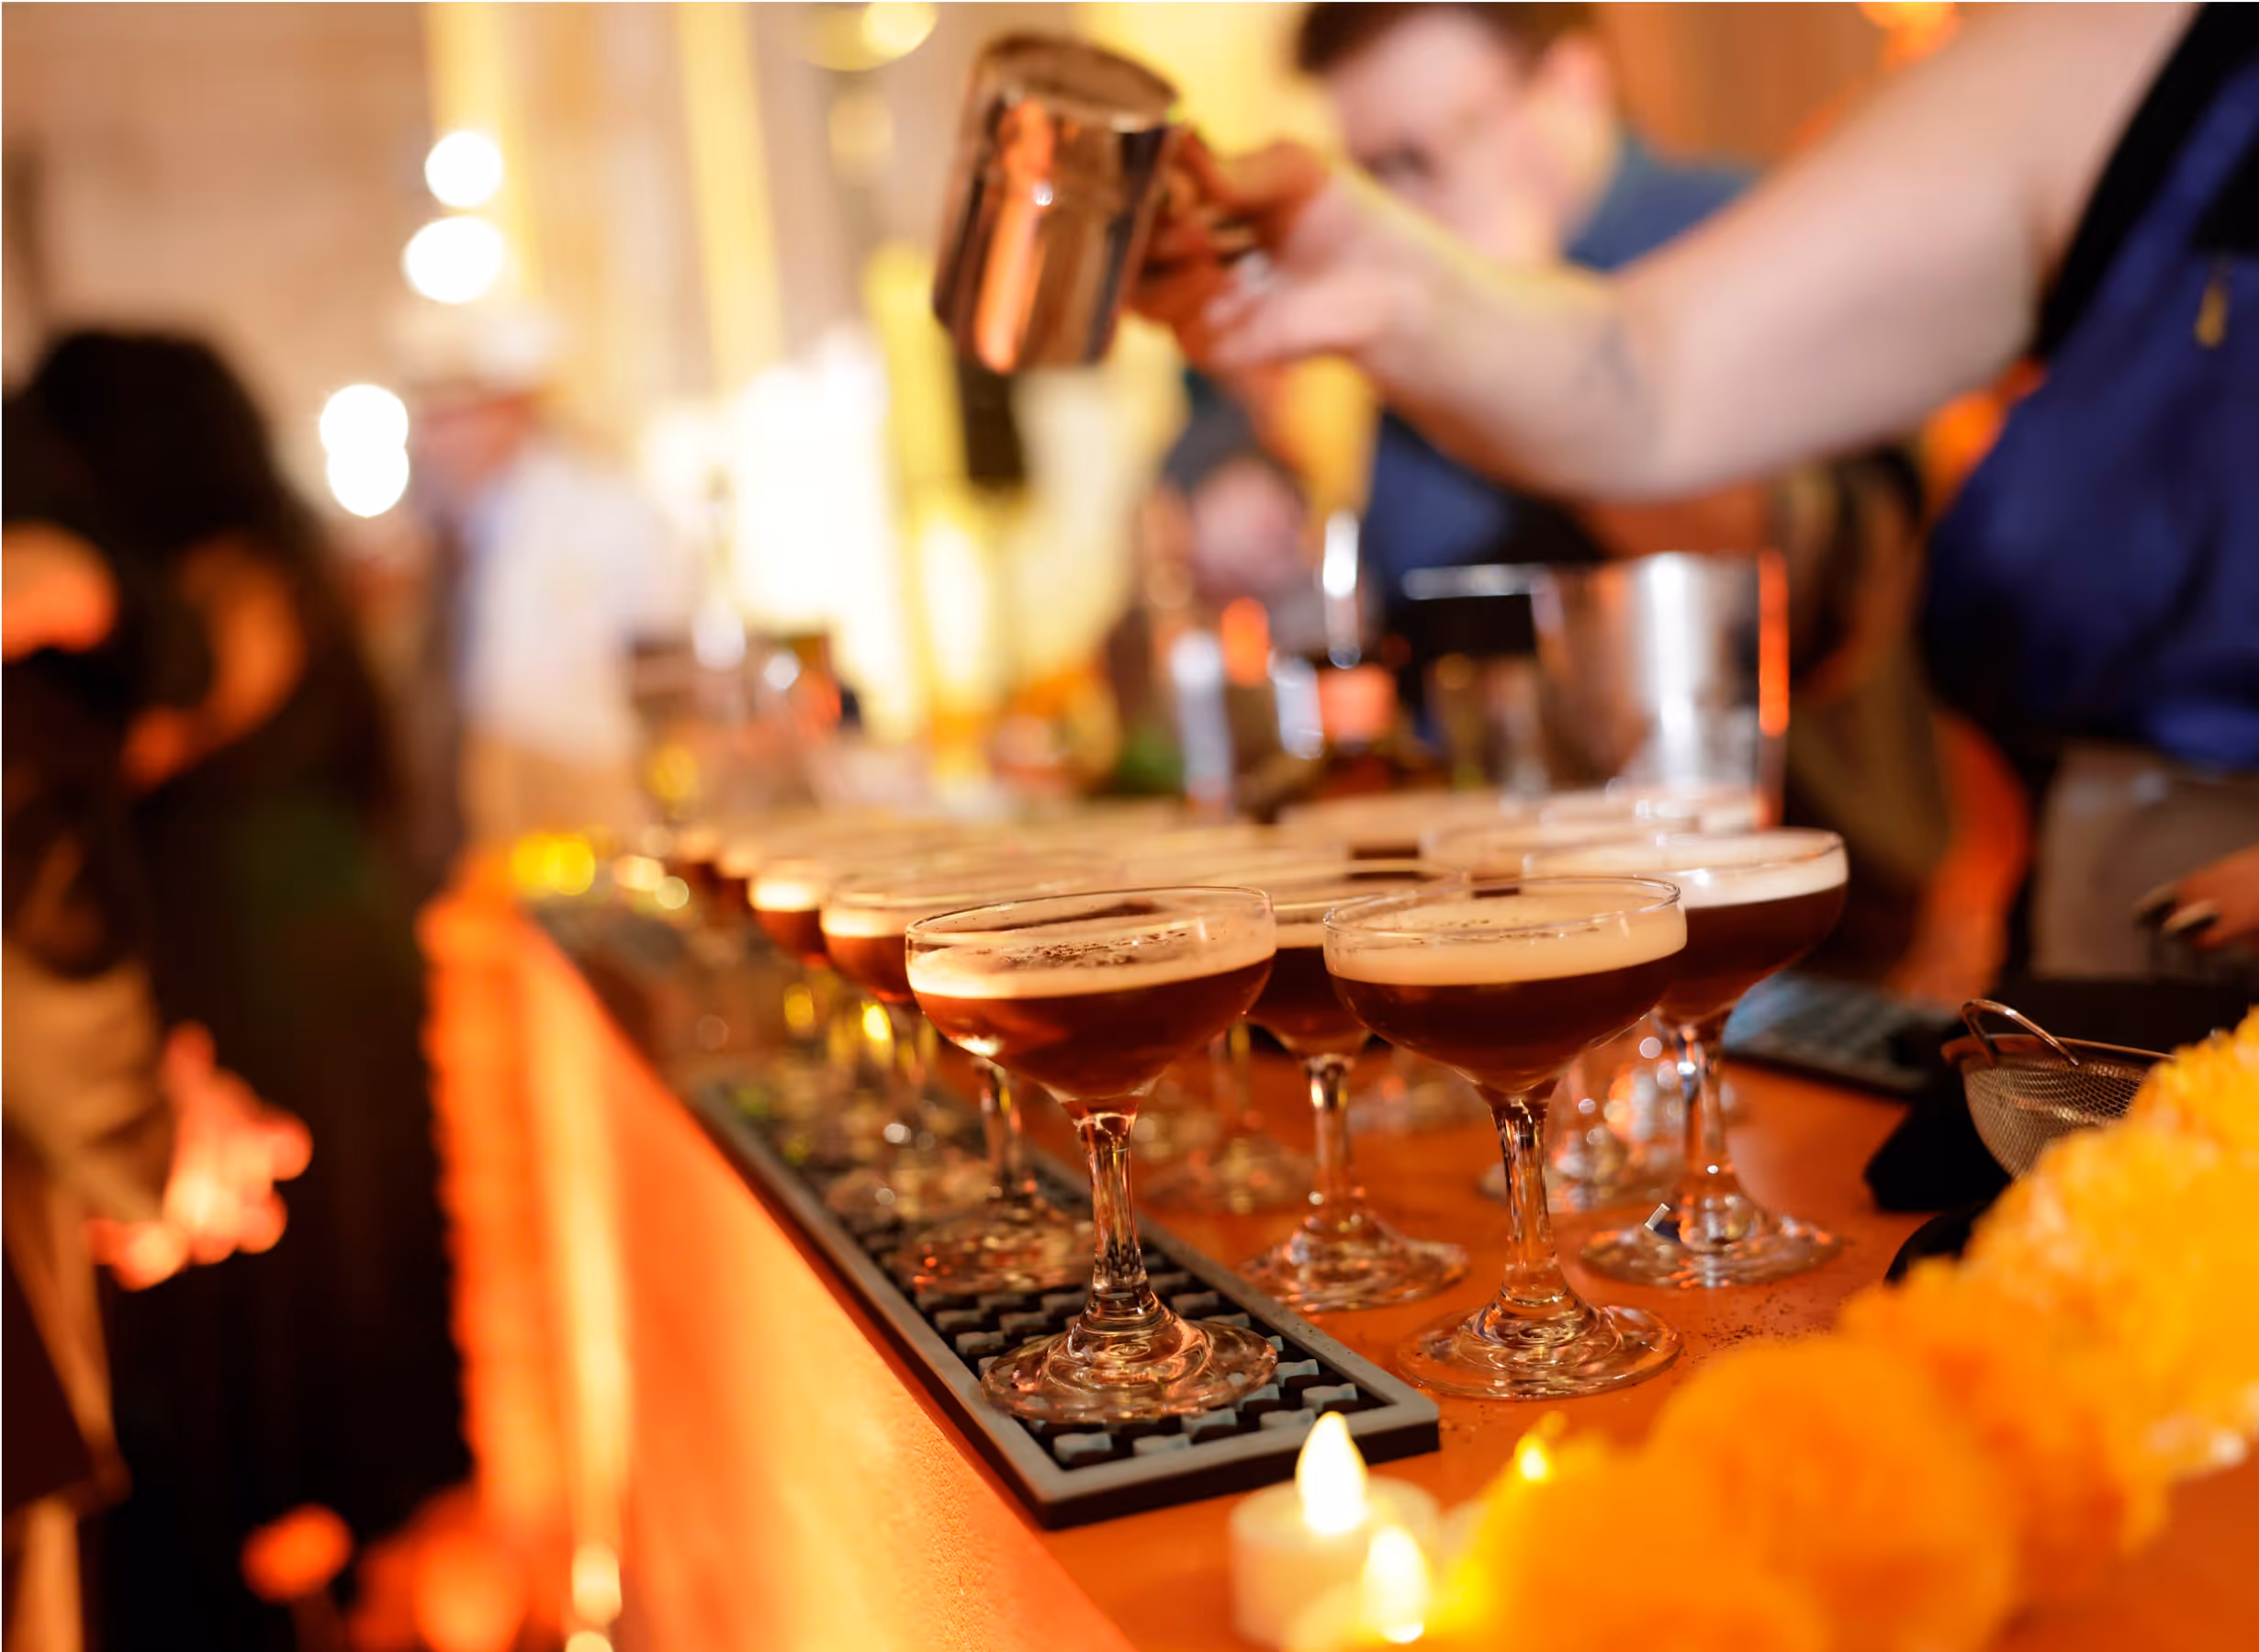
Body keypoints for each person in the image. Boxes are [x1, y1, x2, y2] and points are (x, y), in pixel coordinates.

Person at [1144, 1, 2259, 978]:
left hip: (1786, 930)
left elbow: (1812, 578)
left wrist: (1487, 302)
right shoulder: (2101, 50)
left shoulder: (1722, 222)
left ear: (1570, 86)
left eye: (1420, 157)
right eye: (1370, 168)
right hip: (1515, 918)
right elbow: (1437, 588)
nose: (1400, 202)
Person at [19, 331, 469, 1651]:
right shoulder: (257, 571)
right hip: (304, 954)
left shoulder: (203, 593)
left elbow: (95, 774)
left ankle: (309, 1554)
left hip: (264, 961)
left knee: (282, 1362)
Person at [398, 304, 702, 882]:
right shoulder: (462, 529)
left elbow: (668, 683)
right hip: (500, 827)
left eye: (448, 416)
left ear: (512, 409)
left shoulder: (610, 514)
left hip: (598, 821)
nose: (430, 440)